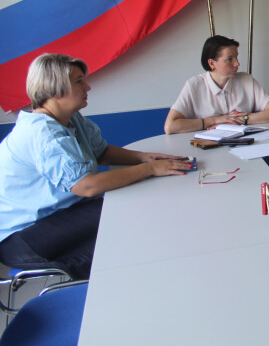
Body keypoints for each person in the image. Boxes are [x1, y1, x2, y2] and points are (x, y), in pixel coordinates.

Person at [0, 54, 192, 279]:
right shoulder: (43, 134)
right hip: (23, 237)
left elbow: (102, 152)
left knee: (126, 213)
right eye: (79, 82)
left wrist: (144, 158)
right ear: (54, 90)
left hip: (57, 216)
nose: (88, 87)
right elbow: (87, 186)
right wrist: (149, 170)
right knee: (124, 219)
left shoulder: (70, 118)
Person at [164, 35, 269, 134]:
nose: (237, 63)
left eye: (236, 57)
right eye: (230, 59)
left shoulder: (246, 80)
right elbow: (170, 126)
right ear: (212, 63)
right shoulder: (194, 85)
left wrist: (240, 119)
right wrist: (214, 120)